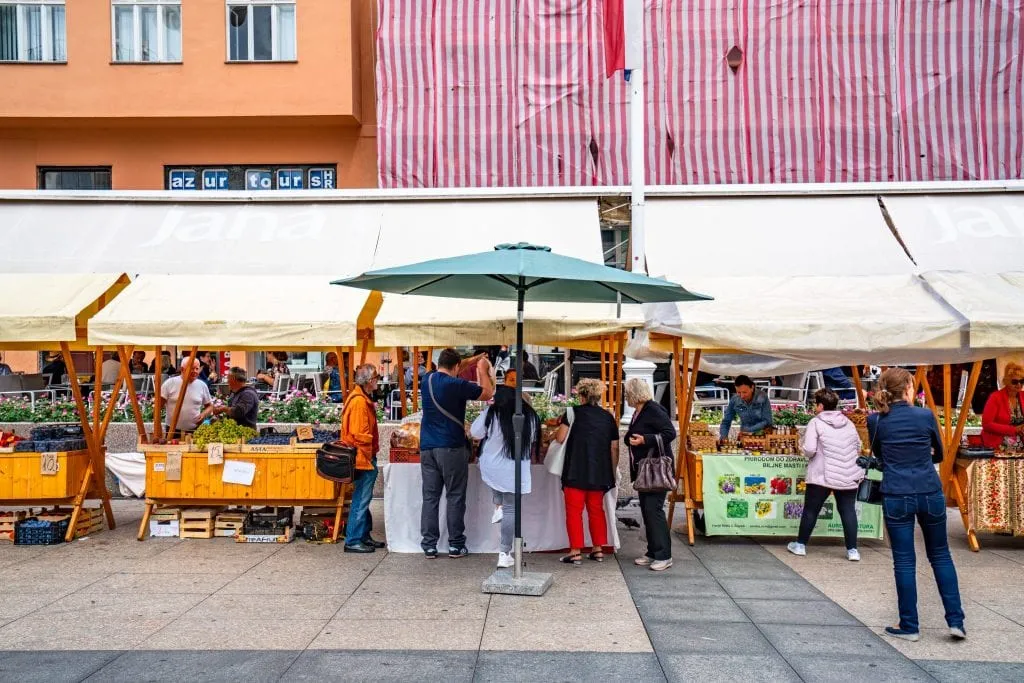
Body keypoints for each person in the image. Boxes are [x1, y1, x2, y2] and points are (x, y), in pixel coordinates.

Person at [868, 367, 965, 643]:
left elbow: (878, 453)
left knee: (904, 559)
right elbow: (939, 452)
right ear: (909, 388)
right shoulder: (925, 416)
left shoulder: (877, 421)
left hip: (896, 491)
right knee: (941, 555)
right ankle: (956, 620)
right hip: (928, 489)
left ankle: (909, 625)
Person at [419, 348, 495, 559]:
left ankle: (429, 545)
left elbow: (454, 366)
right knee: (454, 496)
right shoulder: (457, 385)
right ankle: (455, 544)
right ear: (455, 367)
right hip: (451, 446)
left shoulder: (427, 379)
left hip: (427, 448)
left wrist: (472, 359)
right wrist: (481, 368)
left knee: (430, 497)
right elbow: (487, 394)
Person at [787, 388, 864, 561]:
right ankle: (853, 550)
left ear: (821, 405)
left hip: (822, 474)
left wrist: (802, 449)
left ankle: (800, 545)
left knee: (811, 510)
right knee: (848, 511)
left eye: (816, 404)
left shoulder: (816, 422)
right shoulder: (848, 422)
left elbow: (809, 449)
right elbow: (858, 446)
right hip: (848, 473)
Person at [470, 385, 539, 569]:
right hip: (515, 469)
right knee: (510, 510)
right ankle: (504, 552)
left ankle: (498, 505)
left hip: (491, 465)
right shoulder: (530, 416)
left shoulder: (492, 414)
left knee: (499, 492)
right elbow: (532, 439)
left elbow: (475, 433)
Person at [555, 378, 618, 566]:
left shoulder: (572, 413)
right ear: (598, 396)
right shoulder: (608, 417)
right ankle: (598, 549)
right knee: (596, 510)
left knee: (574, 512)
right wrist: (612, 471)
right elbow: (614, 447)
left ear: (581, 396)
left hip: (575, 469)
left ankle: (575, 551)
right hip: (599, 471)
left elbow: (560, 438)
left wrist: (552, 434)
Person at [623, 377, 677, 572]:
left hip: (655, 470)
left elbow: (670, 433)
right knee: (647, 510)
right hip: (644, 470)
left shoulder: (653, 409)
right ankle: (653, 551)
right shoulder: (641, 411)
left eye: (627, 392)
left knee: (654, 510)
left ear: (634, 394)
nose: (625, 396)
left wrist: (644, 440)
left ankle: (664, 555)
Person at [341, 364, 385, 553]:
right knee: (361, 499)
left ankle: (363, 536)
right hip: (362, 458)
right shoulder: (359, 402)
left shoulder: (361, 398)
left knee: (363, 499)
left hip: (364, 457)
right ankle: (353, 540)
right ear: (369, 381)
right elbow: (361, 436)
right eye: (376, 377)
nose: (378, 380)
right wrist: (367, 461)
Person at [161, 357, 213, 435]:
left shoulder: (202, 385)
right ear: (182, 369)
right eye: (192, 368)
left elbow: (210, 406)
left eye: (197, 368)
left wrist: (203, 415)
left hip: (194, 430)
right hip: (172, 431)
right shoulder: (169, 383)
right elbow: (158, 406)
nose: (195, 371)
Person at [980, 362, 1024, 449]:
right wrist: (1014, 430)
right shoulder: (995, 397)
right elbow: (987, 424)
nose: (1019, 384)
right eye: (1015, 382)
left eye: (1022, 381)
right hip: (999, 446)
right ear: (1007, 381)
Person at [719, 375, 773, 441]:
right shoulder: (734, 399)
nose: (742, 396)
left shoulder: (762, 396)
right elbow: (726, 422)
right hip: (744, 438)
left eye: (744, 392)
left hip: (762, 437)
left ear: (752, 388)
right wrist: (724, 436)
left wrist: (748, 431)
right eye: (738, 392)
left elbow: (767, 421)